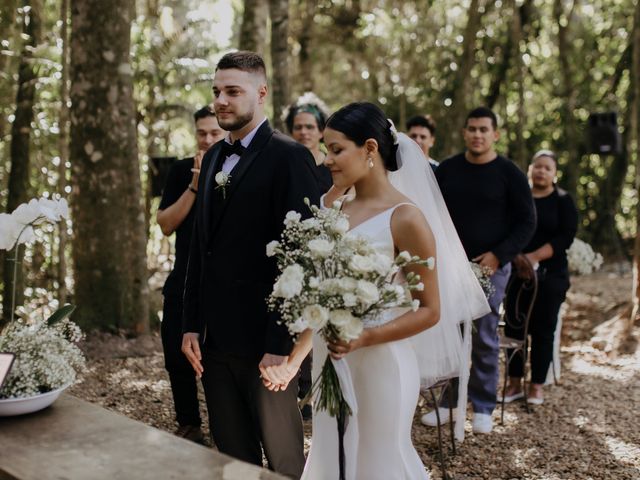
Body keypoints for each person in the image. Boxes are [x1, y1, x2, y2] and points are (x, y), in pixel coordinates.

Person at [260, 102, 489, 479]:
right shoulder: (331, 205)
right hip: (329, 359)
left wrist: (366, 337)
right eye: (326, 149)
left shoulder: (406, 217)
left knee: (378, 460)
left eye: (336, 150)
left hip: (382, 361)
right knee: (330, 453)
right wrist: (295, 359)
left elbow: (430, 310)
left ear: (369, 148)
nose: (327, 159)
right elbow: (322, 301)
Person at [181, 51, 320, 479]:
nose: (221, 100)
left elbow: (302, 256)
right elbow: (198, 248)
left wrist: (280, 345)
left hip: (266, 342)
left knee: (283, 462)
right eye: (217, 91)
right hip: (214, 343)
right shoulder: (211, 159)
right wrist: (189, 323)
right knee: (233, 460)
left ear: (260, 94)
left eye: (232, 91)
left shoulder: (290, 157)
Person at [422, 107, 536, 434]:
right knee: (451, 333)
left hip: (490, 266)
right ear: (464, 133)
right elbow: (430, 212)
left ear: (495, 134)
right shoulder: (449, 170)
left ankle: (483, 404)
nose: (477, 135)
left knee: (484, 335)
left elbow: (527, 222)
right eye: (472, 129)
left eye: (484, 129)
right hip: (450, 265)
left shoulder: (510, 173)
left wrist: (499, 256)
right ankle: (449, 403)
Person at [156, 106, 226, 443]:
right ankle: (189, 424)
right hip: (182, 280)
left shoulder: (238, 169)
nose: (208, 139)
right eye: (202, 133)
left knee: (218, 361)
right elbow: (166, 224)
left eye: (215, 133)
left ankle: (227, 428)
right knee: (175, 353)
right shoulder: (181, 171)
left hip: (223, 286)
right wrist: (195, 185)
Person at [501, 150, 577, 405]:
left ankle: (536, 386)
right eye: (538, 166)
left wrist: (533, 257)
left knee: (544, 330)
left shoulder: (563, 201)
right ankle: (513, 384)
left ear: (554, 174)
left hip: (550, 274)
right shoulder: (519, 196)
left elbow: (565, 236)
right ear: (530, 169)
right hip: (515, 271)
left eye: (547, 168)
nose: (542, 171)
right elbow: (506, 228)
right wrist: (518, 258)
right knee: (514, 327)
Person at [284, 92, 333, 193]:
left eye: (309, 127)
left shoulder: (333, 166)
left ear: (321, 131)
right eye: (298, 127)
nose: (303, 132)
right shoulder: (283, 165)